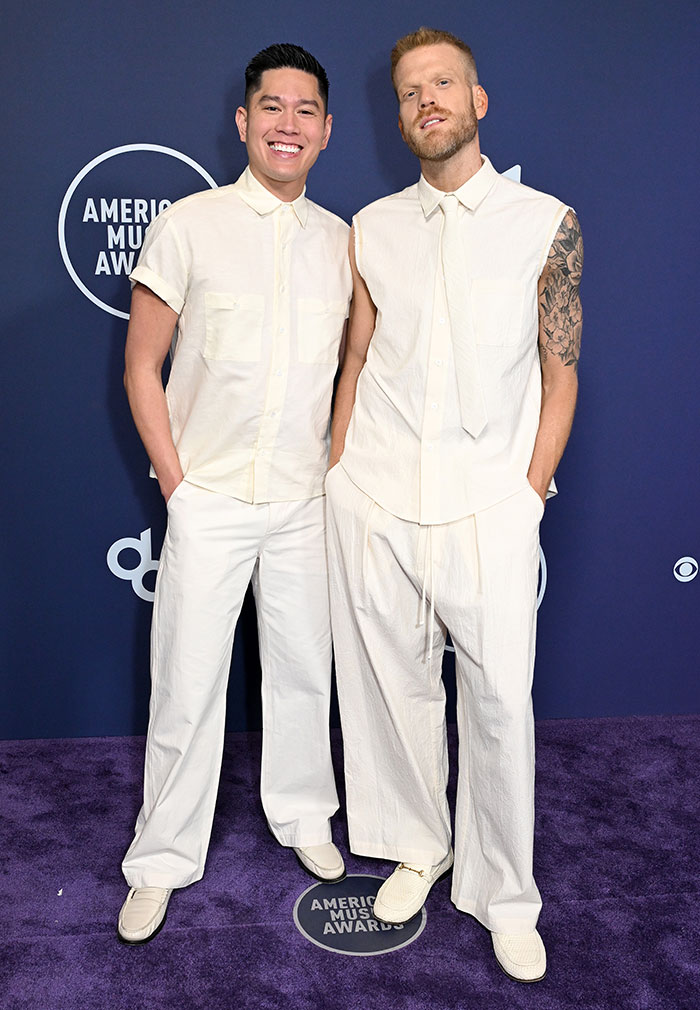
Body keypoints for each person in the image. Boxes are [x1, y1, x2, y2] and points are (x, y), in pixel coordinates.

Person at [326, 27, 582, 982]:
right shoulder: (373, 225)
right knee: (392, 690)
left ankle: (504, 892)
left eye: (442, 84)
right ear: (398, 117)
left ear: (478, 101)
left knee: (500, 706)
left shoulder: (545, 221)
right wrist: (340, 475)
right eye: (407, 92)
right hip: (377, 495)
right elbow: (356, 357)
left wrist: (529, 491)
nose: (425, 100)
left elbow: (561, 376)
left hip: (490, 506)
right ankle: (416, 848)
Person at [117, 43, 352, 945]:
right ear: (244, 120)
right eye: (271, 107)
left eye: (305, 111)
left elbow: (356, 371)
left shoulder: (344, 241)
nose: (287, 124)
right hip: (208, 496)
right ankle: (161, 859)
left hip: (303, 503)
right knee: (185, 683)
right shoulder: (189, 223)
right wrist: (178, 483)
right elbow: (143, 364)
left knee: (302, 675)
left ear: (326, 131)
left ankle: (303, 817)